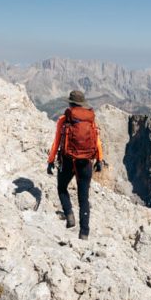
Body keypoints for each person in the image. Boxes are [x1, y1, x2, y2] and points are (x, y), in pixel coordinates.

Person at [47, 90, 105, 240]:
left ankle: (69, 215)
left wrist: (50, 161)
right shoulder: (91, 120)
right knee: (83, 198)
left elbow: (56, 142)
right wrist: (99, 159)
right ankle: (84, 233)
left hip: (68, 160)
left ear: (71, 103)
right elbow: (97, 141)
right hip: (86, 161)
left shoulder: (63, 119)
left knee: (61, 188)